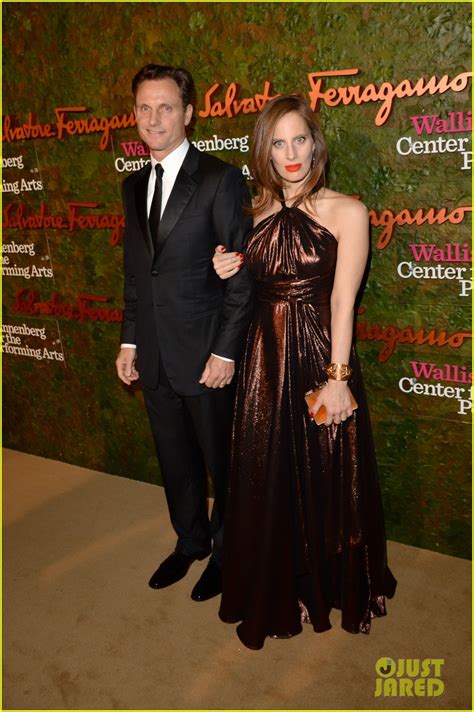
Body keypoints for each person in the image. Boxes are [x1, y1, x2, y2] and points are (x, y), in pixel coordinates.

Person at [212, 95, 397, 650]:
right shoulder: (257, 212)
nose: (291, 153)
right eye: (278, 142)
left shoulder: (348, 211)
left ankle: (328, 584)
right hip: (263, 359)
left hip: (320, 354)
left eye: (300, 139)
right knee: (268, 473)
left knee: (327, 471)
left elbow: (345, 302)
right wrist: (228, 267)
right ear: (263, 150)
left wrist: (338, 377)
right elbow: (250, 288)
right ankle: (279, 580)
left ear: (315, 145)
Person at [115, 64, 253, 602]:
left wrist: (225, 350)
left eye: (166, 106)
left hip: (205, 355)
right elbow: (135, 274)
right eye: (145, 107)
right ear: (134, 115)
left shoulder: (220, 178)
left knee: (222, 462)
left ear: (189, 113)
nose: (154, 118)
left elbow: (242, 274)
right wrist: (129, 341)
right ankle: (190, 540)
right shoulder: (131, 186)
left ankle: (226, 553)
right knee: (175, 459)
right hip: (153, 354)